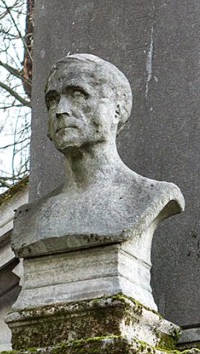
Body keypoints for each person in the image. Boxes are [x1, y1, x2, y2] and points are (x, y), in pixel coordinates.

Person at [12, 53, 183, 257]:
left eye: (77, 95)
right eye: (53, 100)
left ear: (117, 109)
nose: (60, 110)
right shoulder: (29, 218)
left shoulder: (149, 197)